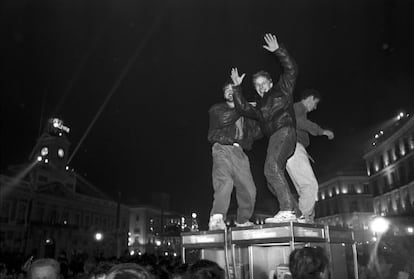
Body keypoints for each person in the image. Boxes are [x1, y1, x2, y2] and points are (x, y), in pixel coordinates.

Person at [231, 33, 298, 223]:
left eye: (263, 84)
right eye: (257, 85)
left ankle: (286, 211)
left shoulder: (281, 90)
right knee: (271, 181)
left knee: (271, 167)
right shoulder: (259, 107)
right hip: (277, 137)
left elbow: (291, 70)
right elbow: (243, 108)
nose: (261, 88)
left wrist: (279, 51)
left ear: (270, 83)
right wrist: (237, 88)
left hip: (284, 131)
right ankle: (297, 213)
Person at [207, 79, 262, 230]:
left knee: (250, 189)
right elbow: (225, 119)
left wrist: (260, 112)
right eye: (227, 90)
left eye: (234, 89)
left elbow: (257, 133)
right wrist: (244, 106)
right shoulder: (217, 109)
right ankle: (217, 218)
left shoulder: (245, 114)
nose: (231, 92)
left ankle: (243, 220)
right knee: (225, 181)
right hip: (222, 147)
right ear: (224, 94)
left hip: (240, 152)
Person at [286, 89, 334, 223]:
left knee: (304, 188)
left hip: (290, 148)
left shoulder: (296, 110)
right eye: (315, 103)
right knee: (310, 185)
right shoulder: (297, 108)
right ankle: (302, 218)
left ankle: (307, 218)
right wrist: (321, 131)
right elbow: (300, 122)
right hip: (294, 146)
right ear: (310, 98)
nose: (315, 107)